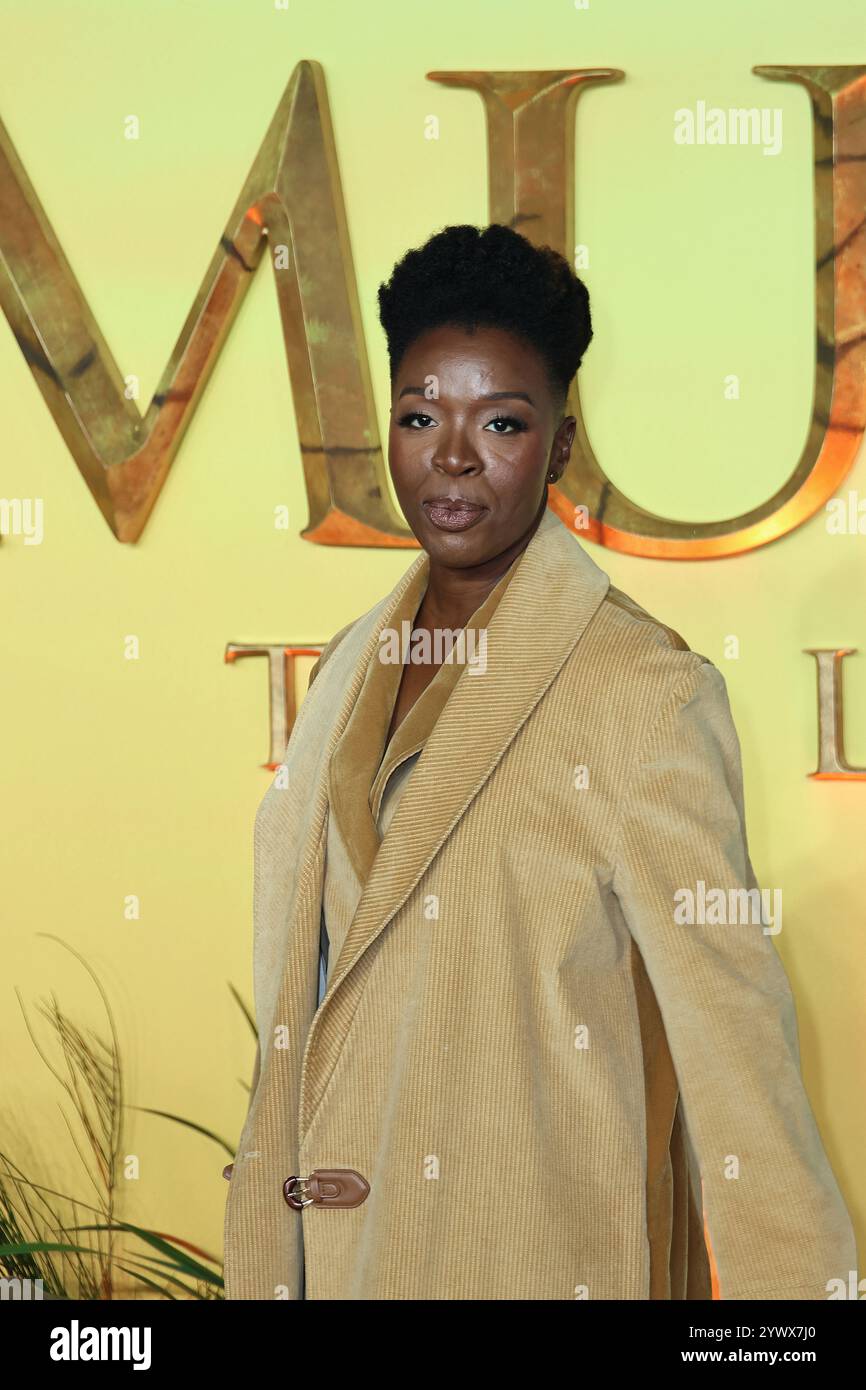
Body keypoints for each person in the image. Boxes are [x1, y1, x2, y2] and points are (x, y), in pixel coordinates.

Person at [223, 223, 856, 1301]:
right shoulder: (339, 674)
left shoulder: (643, 693)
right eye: (420, 415)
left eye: (501, 422)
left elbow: (734, 1052)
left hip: (540, 1259)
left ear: (559, 445)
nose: (452, 456)